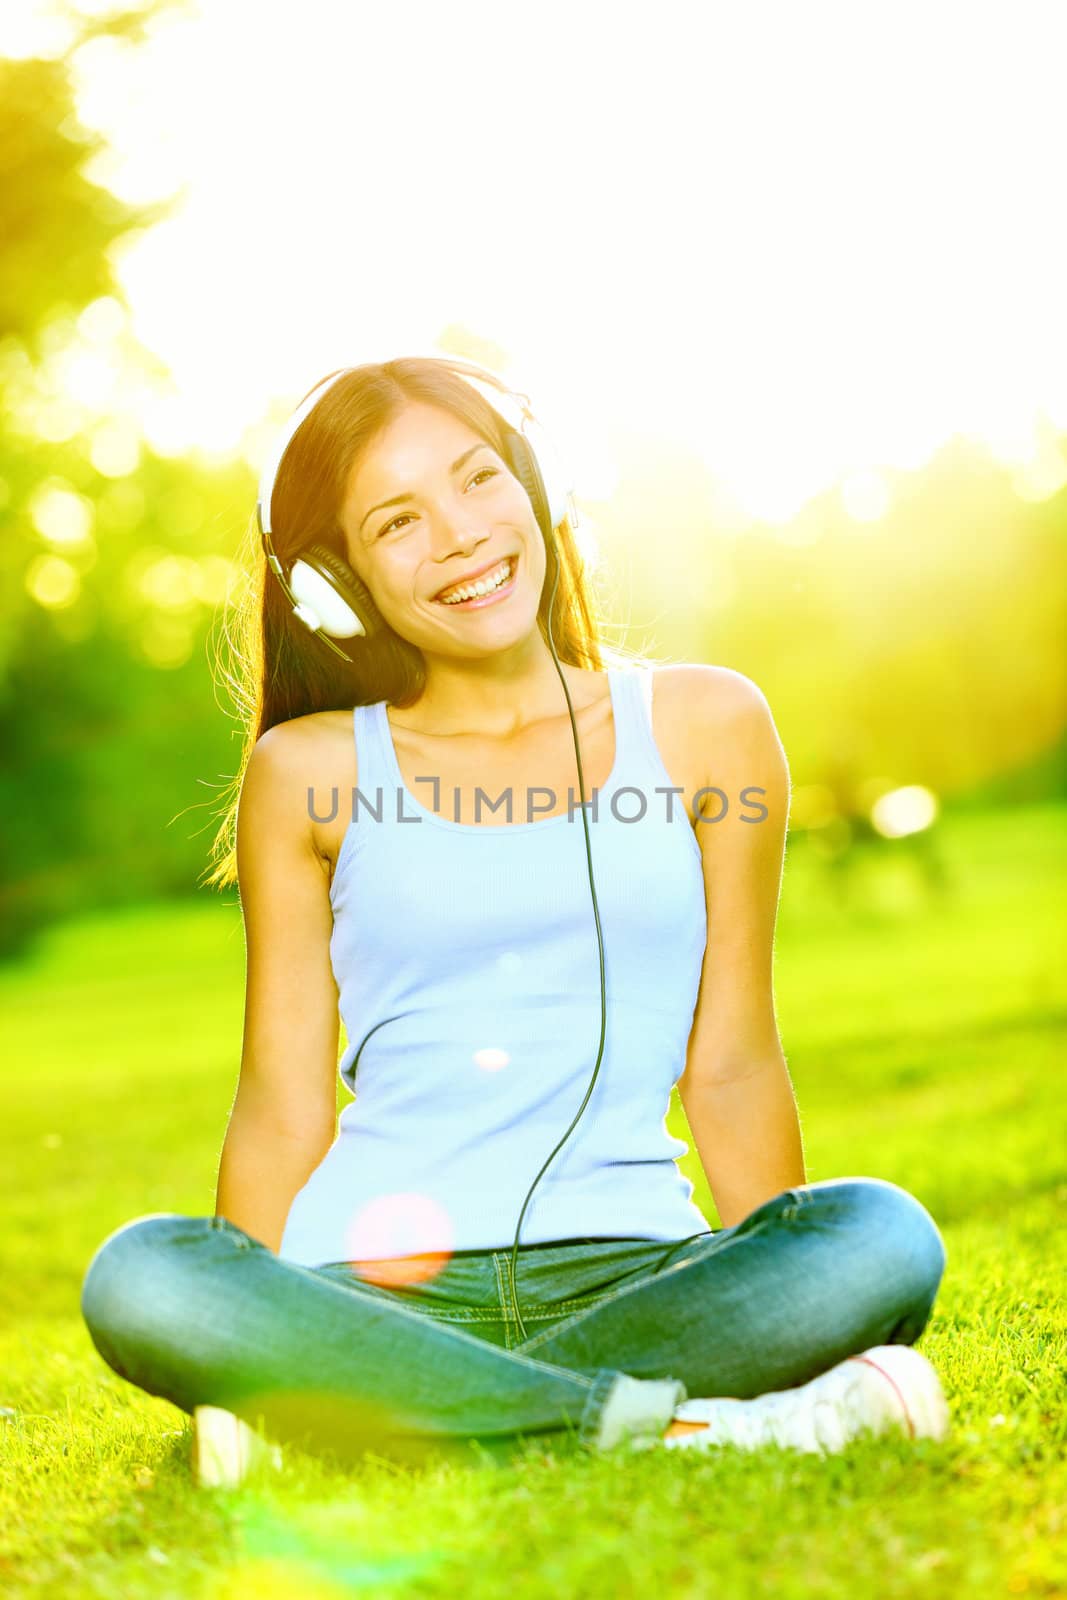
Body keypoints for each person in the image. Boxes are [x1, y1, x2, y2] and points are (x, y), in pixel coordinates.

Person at [80, 356, 950, 1486]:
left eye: (479, 479)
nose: (459, 535)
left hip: (637, 1271)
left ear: (536, 487)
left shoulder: (706, 725)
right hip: (370, 1285)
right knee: (144, 1273)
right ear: (337, 583)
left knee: (876, 1236)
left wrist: (774, 1284)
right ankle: (671, 1426)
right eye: (398, 521)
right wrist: (251, 1313)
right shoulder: (308, 770)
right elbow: (281, 1101)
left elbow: (729, 1059)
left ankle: (359, 1417)